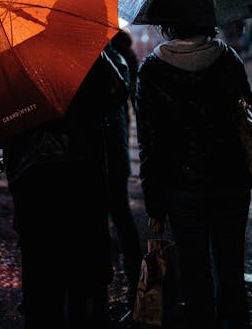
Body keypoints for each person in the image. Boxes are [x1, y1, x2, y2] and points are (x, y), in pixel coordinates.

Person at [0, 0, 129, 329]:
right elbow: (118, 93)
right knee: (85, 277)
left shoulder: (14, 59)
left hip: (33, 183)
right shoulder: (88, 61)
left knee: (40, 273)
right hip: (82, 180)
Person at [135, 0, 252, 329]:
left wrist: (154, 206)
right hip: (231, 179)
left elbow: (150, 142)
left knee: (194, 271)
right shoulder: (227, 58)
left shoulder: (152, 70)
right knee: (231, 268)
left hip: (182, 185)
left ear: (168, 25)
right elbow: (250, 109)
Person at [105, 32, 142, 310]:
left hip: (99, 152)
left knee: (112, 213)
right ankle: (133, 275)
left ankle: (128, 275)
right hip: (113, 152)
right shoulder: (119, 54)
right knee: (120, 213)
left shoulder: (109, 58)